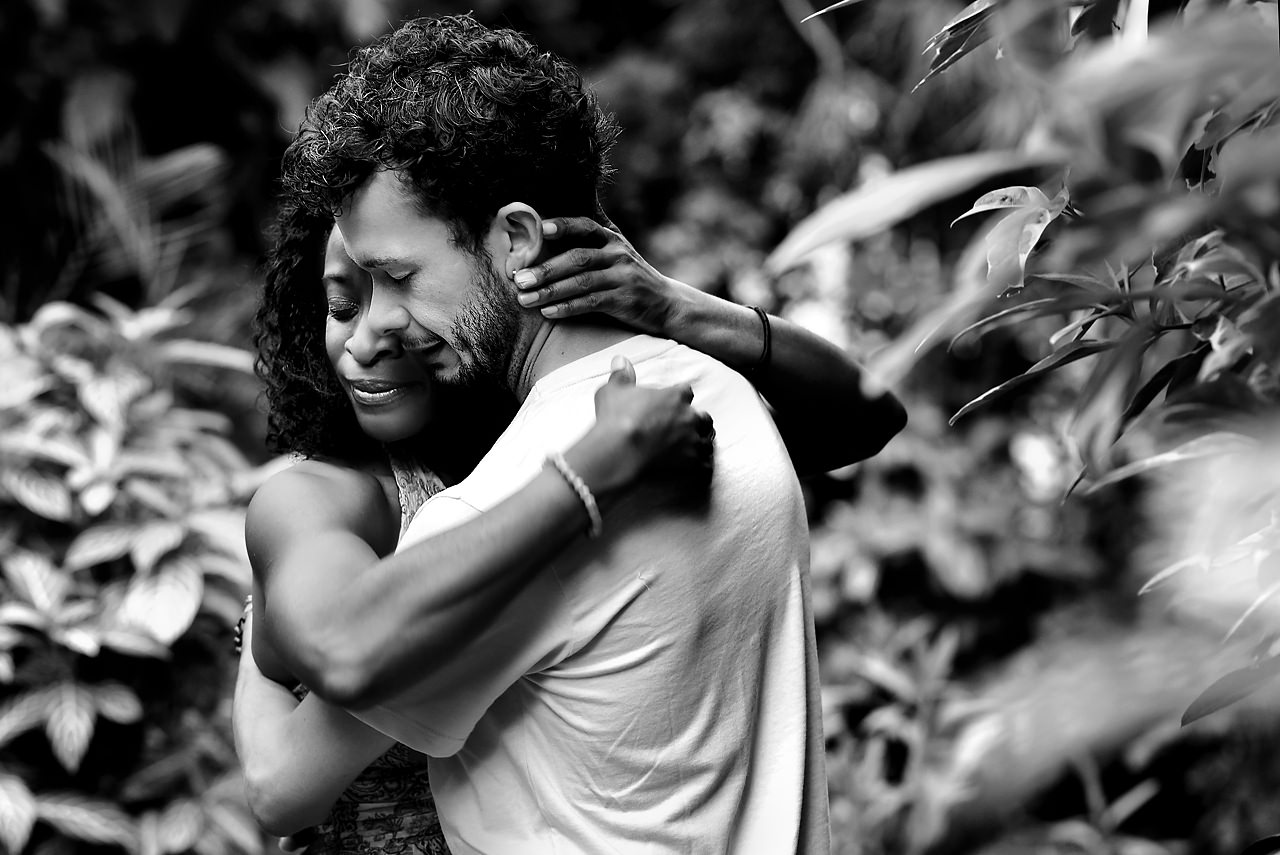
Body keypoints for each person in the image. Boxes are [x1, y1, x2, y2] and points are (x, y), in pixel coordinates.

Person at [244, 13, 906, 854]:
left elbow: (283, 781)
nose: (379, 324)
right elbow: (864, 411)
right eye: (355, 294)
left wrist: (258, 623)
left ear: (516, 238)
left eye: (398, 277)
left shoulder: (510, 520)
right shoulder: (717, 391)